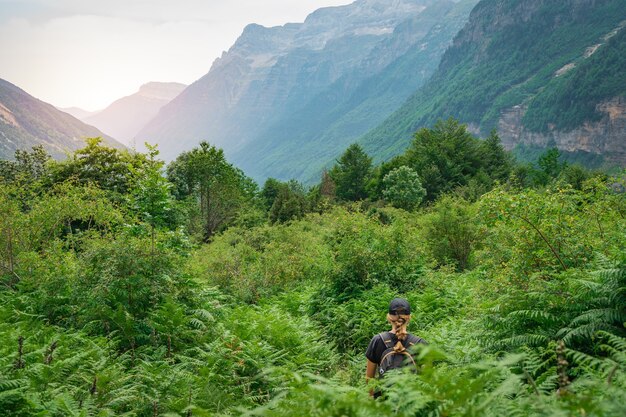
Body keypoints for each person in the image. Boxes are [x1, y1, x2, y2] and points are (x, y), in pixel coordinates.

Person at [365, 298, 427, 397]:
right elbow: (427, 382)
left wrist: (372, 403)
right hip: (412, 405)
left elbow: (369, 379)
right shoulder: (420, 343)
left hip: (384, 405)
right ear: (409, 317)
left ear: (388, 317)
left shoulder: (378, 340)